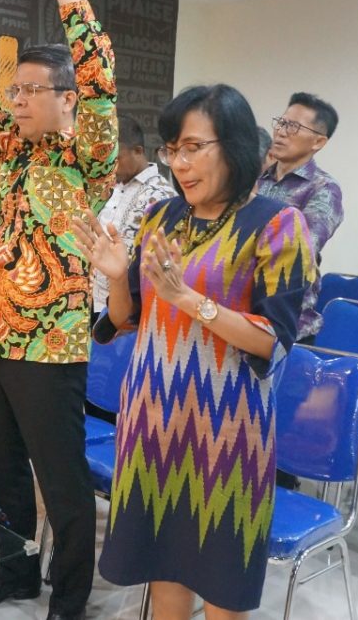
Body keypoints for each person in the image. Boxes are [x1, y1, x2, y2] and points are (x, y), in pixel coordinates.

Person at [74, 84, 315, 619]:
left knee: (222, 582)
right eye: (172, 150)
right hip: (151, 416)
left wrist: (191, 300)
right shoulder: (162, 216)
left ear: (234, 147)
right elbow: (126, 319)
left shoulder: (277, 224)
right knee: (163, 566)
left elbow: (273, 341)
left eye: (193, 147)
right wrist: (116, 277)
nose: (179, 163)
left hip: (226, 428)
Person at [0, 0, 117, 618]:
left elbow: (101, 78)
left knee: (62, 480)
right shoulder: (13, 146)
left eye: (28, 91)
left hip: (50, 347)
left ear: (66, 99)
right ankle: (16, 574)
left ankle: (68, 600)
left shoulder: (88, 156)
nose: (14, 100)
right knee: (2, 470)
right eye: (13, 90)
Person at [257, 92, 344, 344]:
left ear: (318, 141)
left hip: (289, 325)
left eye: (293, 126)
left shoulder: (324, 189)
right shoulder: (256, 180)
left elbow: (301, 248)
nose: (281, 132)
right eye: (281, 122)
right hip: (243, 315)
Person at [91, 115, 175, 322]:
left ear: (138, 151)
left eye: (117, 158)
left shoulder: (161, 195)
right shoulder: (110, 187)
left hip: (131, 310)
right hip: (94, 302)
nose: (111, 165)